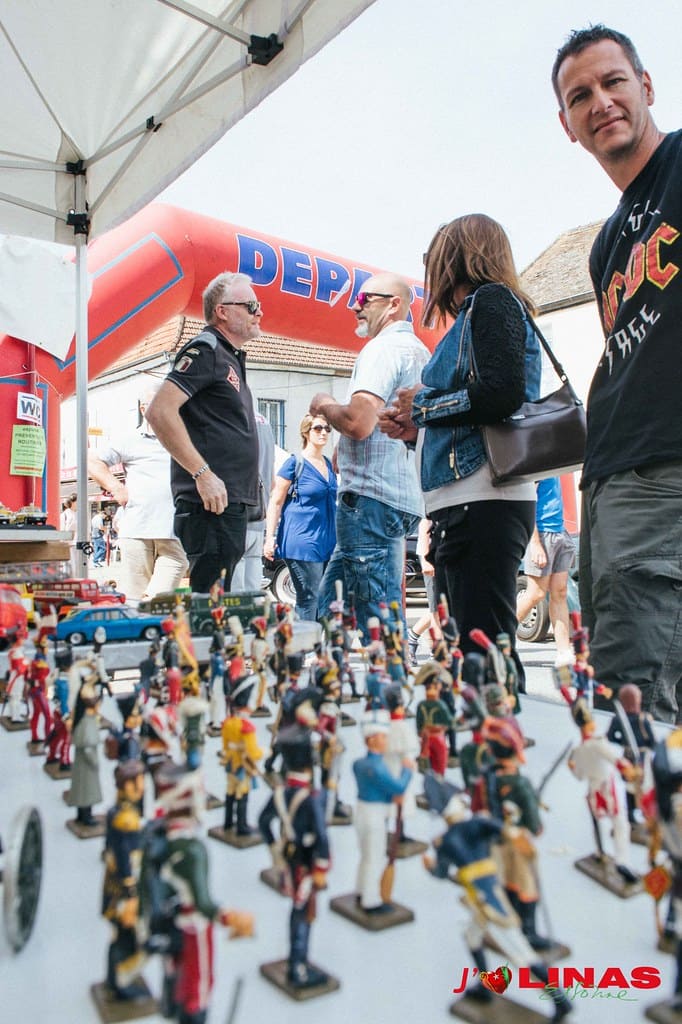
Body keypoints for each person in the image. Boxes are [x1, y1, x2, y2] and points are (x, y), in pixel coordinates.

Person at [552, 26, 682, 722]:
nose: (600, 102)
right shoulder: (606, 245)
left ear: (647, 87)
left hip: (665, 474)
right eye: (581, 96)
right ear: (568, 125)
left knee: (636, 706)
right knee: (621, 690)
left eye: (613, 82)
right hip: (607, 481)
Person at [379, 215, 541, 687]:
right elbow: (478, 411)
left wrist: (422, 405)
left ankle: (498, 733)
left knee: (482, 658)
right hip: (468, 502)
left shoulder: (491, 301)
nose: (429, 269)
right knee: (469, 655)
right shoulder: (479, 311)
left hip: (483, 501)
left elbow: (502, 393)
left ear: (454, 257)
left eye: (432, 258)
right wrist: (416, 428)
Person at [311, 273, 430, 641]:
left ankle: (396, 676)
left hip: (371, 499)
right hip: (395, 495)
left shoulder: (383, 349)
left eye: (365, 299)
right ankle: (325, 671)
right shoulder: (420, 352)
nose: (355, 306)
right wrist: (345, 449)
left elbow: (358, 422)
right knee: (326, 614)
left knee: (380, 625)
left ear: (394, 305)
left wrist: (324, 404)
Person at [145, 272, 260, 593]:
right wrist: (202, 473)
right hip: (210, 503)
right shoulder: (207, 349)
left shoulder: (227, 356)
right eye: (251, 306)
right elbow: (159, 411)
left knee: (216, 599)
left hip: (226, 501)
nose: (259, 312)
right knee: (210, 602)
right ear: (222, 311)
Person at [87, 383, 189, 604]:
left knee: (161, 593)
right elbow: (93, 460)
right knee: (134, 596)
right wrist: (116, 488)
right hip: (137, 528)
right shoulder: (130, 439)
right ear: (144, 409)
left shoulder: (183, 437)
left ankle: (151, 607)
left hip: (175, 529)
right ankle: (140, 619)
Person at [263, 413, 337, 620]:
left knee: (327, 601)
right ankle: (304, 640)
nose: (324, 432)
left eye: (327, 429)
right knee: (309, 599)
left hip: (327, 541)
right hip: (302, 541)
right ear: (306, 432)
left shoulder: (328, 464)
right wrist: (269, 538)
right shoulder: (294, 463)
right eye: (318, 428)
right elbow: (275, 501)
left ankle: (316, 639)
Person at [516, 478, 576, 653]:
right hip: (542, 534)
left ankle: (564, 653)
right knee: (536, 594)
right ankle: (497, 636)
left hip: (559, 531)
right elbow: (527, 502)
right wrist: (535, 543)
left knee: (560, 593)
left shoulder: (555, 467)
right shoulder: (537, 465)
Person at [230, 411, 275, 593]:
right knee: (253, 588)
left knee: (235, 592)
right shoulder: (265, 422)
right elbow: (272, 479)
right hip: (259, 513)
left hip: (237, 512)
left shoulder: (233, 416)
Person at [60, 493, 78, 575]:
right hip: (69, 544)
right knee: (71, 568)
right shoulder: (65, 514)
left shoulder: (77, 513)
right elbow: (62, 530)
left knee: (77, 567)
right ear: (73, 502)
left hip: (78, 543)